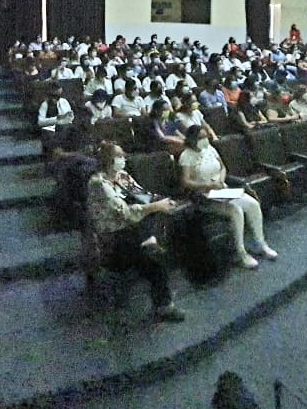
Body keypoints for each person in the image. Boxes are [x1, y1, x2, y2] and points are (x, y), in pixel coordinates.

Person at [86, 142, 187, 322]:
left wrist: (162, 201)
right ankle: (164, 307)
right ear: (108, 160)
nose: (123, 158)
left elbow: (143, 196)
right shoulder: (98, 184)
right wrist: (156, 206)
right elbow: (125, 212)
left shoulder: (122, 176)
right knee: (153, 258)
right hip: (114, 237)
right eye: (119, 156)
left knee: (172, 217)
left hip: (134, 227)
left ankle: (152, 241)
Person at [177, 126, 277, 269]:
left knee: (253, 204)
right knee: (236, 210)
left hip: (222, 190)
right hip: (203, 196)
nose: (205, 140)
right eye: (200, 138)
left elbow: (223, 167)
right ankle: (241, 253)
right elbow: (185, 182)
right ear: (192, 139)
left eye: (205, 137)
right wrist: (207, 185)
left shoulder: (210, 149)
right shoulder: (186, 156)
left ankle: (261, 244)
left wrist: (220, 180)